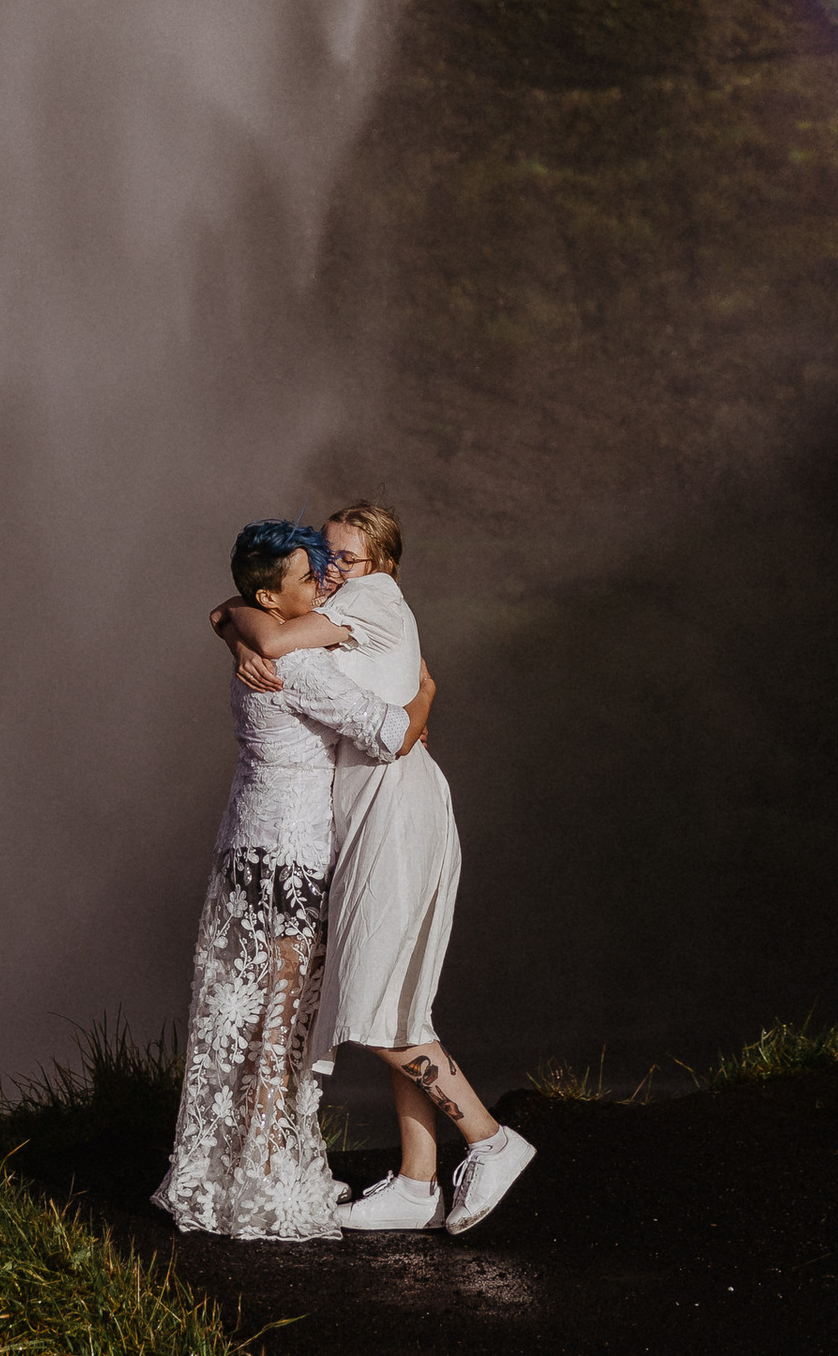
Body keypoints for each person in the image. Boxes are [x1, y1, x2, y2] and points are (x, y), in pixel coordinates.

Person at [214, 501, 536, 1236]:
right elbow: (252, 621)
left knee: (371, 1000)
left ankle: (490, 1140)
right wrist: (236, 625)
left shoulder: (372, 597)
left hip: (394, 805)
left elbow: (268, 629)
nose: (331, 569)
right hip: (373, 807)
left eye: (347, 558)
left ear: (382, 565)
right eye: (325, 555)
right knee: (396, 1001)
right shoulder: (350, 601)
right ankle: (418, 1185)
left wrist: (240, 624)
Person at [154, 520, 436, 1242]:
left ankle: (224, 1175)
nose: (324, 587)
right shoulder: (298, 663)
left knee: (237, 1018)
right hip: (290, 862)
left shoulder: (256, 643)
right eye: (309, 578)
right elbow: (388, 734)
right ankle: (264, 1184)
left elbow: (230, 612)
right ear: (270, 597)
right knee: (280, 1030)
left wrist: (232, 624)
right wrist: (427, 694)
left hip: (241, 853)